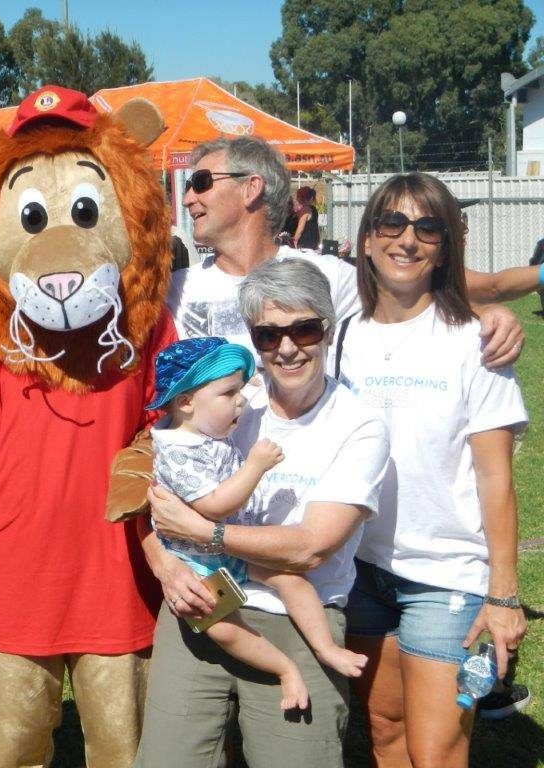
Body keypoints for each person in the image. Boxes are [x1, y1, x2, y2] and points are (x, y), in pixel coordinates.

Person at [135, 257, 389, 767]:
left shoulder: (359, 425)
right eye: (269, 335)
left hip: (299, 625)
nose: (288, 347)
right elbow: (147, 493)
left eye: (304, 328)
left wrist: (204, 533)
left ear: (328, 328)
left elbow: (311, 547)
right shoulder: (227, 403)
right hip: (199, 608)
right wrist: (167, 566)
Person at [336, 173, 528, 766]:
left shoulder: (476, 341)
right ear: (367, 239)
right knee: (385, 729)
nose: (407, 239)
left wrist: (503, 594)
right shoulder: (342, 335)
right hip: (364, 570)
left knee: (437, 749)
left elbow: (496, 478)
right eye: (391, 223)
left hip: (447, 577)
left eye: (427, 227)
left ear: (446, 245)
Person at [166, 136, 523, 373]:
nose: (187, 199)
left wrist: (487, 313)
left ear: (251, 188)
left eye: (200, 183)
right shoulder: (174, 291)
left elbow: (410, 301)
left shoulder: (326, 275)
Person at [148, 335, 368, 709]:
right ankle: (284, 668)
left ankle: (325, 648)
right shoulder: (176, 451)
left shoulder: (207, 432)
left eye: (241, 389)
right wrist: (255, 466)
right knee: (224, 628)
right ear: (185, 402)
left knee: (292, 580)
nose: (241, 400)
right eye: (228, 393)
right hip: (198, 564)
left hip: (230, 548)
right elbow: (215, 506)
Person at [293, 185, 320, 250]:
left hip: (305, 244)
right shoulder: (314, 209)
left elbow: (300, 229)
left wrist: (294, 240)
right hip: (313, 243)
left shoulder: (305, 210)